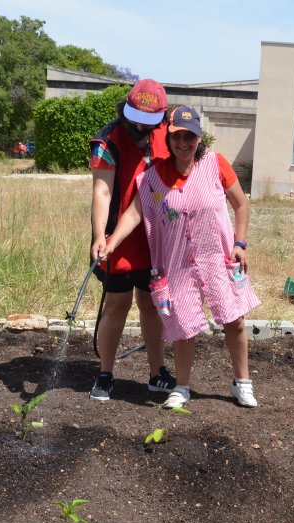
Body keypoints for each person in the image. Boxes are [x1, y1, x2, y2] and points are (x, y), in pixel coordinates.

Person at [96, 105, 260, 408]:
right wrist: (111, 241)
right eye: (177, 138)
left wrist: (240, 243)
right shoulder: (153, 178)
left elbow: (241, 205)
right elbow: (134, 213)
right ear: (168, 139)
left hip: (217, 259)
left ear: (199, 138)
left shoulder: (215, 164)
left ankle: (242, 382)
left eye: (190, 137)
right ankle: (181, 387)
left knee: (234, 320)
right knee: (183, 327)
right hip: (178, 264)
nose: (183, 144)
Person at [88, 79, 177, 401]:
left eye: (149, 120)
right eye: (135, 117)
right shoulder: (108, 141)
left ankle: (158, 373)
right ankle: (105, 374)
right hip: (118, 238)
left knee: (152, 306)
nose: (140, 126)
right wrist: (100, 235)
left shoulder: (168, 135)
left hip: (157, 238)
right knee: (117, 304)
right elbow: (102, 190)